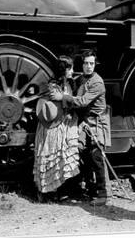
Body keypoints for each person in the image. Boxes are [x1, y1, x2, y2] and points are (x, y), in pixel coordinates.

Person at [50, 50, 112, 206]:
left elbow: (83, 101)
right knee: (84, 157)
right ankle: (91, 191)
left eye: (91, 63)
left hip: (97, 124)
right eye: (86, 63)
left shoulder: (97, 82)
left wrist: (63, 97)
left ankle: (103, 194)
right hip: (85, 123)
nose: (89, 66)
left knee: (97, 158)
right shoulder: (81, 79)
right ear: (82, 64)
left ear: (95, 64)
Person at [33, 56, 80, 199]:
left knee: (60, 157)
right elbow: (62, 103)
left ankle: (58, 189)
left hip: (62, 124)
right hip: (54, 126)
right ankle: (48, 191)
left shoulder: (66, 84)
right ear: (63, 70)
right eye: (70, 68)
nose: (72, 71)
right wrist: (67, 100)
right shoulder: (54, 87)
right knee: (51, 156)